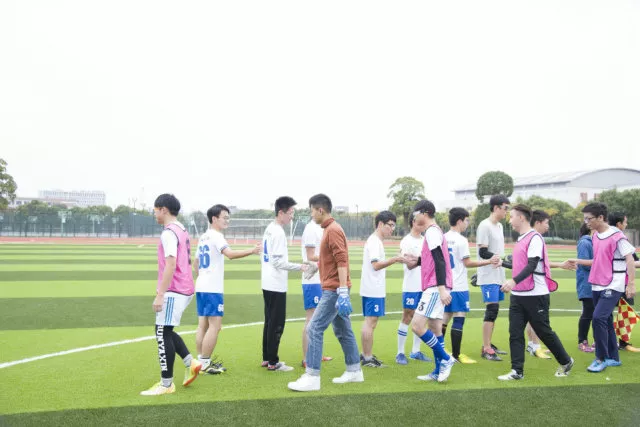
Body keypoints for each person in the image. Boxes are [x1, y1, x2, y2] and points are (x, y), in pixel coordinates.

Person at [288, 194, 364, 392]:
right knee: (343, 330)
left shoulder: (333, 230)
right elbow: (330, 259)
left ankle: (312, 377)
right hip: (334, 286)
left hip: (334, 289)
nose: (311, 215)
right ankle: (354, 370)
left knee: (314, 328)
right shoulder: (329, 229)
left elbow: (342, 260)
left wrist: (342, 290)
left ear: (320, 210)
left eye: (312, 211)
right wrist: (317, 266)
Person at [498, 204, 574, 381]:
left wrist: (513, 281)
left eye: (512, 216)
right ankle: (517, 371)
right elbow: (520, 266)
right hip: (518, 295)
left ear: (521, 218)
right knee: (515, 333)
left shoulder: (535, 238)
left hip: (536, 294)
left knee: (543, 331)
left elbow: (532, 266)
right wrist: (502, 263)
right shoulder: (521, 238)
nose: (510, 220)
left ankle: (566, 361)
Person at [140, 194, 202, 396]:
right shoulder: (181, 228)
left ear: (163, 209)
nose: (155, 214)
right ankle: (190, 362)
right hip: (185, 288)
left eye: (155, 210)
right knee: (165, 330)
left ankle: (166, 384)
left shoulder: (168, 233)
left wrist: (161, 294)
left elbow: (171, 264)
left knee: (161, 332)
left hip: (175, 290)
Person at [194, 204, 261, 374]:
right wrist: (252, 250)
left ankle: (200, 361)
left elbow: (196, 263)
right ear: (214, 218)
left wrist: (203, 277)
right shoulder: (217, 236)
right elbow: (230, 254)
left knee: (202, 325)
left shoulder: (203, 237)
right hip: (212, 288)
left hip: (201, 285)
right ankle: (205, 363)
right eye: (224, 217)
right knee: (215, 326)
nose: (227, 221)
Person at [573, 203, 636, 373]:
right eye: (585, 219)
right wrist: (577, 261)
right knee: (606, 319)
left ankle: (600, 358)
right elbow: (599, 260)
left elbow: (629, 259)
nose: (586, 222)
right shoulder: (595, 236)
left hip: (613, 284)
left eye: (589, 219)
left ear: (601, 217)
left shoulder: (617, 236)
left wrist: (631, 283)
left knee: (598, 318)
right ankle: (613, 358)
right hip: (596, 284)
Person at [443, 207, 501, 364]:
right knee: (459, 317)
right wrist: (489, 261)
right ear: (460, 221)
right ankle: (456, 355)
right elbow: (467, 263)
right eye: (467, 220)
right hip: (459, 285)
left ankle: (440, 352)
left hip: (445, 285)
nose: (467, 223)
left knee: (445, 317)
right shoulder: (461, 240)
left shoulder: (443, 238)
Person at [261, 196, 310, 372]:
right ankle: (273, 362)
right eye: (290, 213)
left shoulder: (270, 229)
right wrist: (300, 267)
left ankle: (267, 358)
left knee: (269, 321)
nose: (292, 216)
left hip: (268, 282)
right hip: (275, 284)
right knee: (276, 324)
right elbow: (277, 262)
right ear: (281, 212)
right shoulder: (278, 232)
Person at [410, 200, 456, 383]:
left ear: (425, 213)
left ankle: (446, 359)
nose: (414, 218)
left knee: (416, 326)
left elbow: (440, 260)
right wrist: (418, 260)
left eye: (416, 214)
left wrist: (442, 289)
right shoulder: (433, 231)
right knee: (435, 328)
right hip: (436, 285)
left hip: (436, 286)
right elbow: (434, 258)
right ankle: (438, 371)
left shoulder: (431, 232)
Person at [524, 210, 577, 359]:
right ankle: (535, 347)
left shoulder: (530, 237)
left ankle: (533, 345)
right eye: (546, 222)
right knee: (538, 317)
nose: (548, 226)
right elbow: (534, 264)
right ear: (538, 222)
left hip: (532, 284)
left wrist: (560, 265)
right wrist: (560, 265)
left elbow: (541, 263)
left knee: (532, 317)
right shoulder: (535, 238)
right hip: (535, 285)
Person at [360, 211, 405, 367]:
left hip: (372, 287)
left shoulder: (376, 241)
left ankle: (366, 355)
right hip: (373, 288)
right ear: (380, 224)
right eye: (390, 225)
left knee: (371, 322)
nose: (392, 229)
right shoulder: (374, 242)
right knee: (370, 322)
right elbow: (376, 265)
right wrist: (396, 259)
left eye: (393, 226)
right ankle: (367, 357)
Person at [476, 194, 510, 361]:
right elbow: (483, 252)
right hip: (488, 275)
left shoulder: (500, 226)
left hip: (498, 274)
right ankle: (486, 348)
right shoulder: (485, 225)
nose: (507, 212)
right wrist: (498, 259)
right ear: (496, 208)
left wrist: (504, 261)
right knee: (492, 310)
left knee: (494, 311)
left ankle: (488, 343)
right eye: (505, 208)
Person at [396, 212, 432, 364]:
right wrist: (423, 260)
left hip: (425, 286)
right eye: (419, 223)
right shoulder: (406, 241)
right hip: (411, 286)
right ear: (412, 222)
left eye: (423, 223)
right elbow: (409, 265)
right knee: (407, 316)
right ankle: (400, 353)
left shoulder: (426, 240)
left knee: (421, 318)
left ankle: (415, 351)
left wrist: (419, 260)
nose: (422, 226)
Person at [300, 218, 333, 367]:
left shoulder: (321, 228)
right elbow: (310, 256)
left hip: (321, 279)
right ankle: (306, 359)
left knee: (318, 319)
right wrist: (331, 257)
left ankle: (316, 354)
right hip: (311, 280)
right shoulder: (311, 229)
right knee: (311, 318)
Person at [608, 212, 640, 352]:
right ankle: (620, 343)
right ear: (619, 224)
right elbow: (632, 261)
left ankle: (619, 342)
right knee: (621, 312)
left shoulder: (609, 237)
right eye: (625, 222)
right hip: (619, 282)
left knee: (614, 312)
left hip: (612, 282)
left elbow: (633, 259)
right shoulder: (618, 238)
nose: (626, 224)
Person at [576, 223, 595, 353]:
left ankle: (597, 340)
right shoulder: (584, 243)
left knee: (595, 313)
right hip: (587, 283)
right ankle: (582, 341)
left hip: (593, 282)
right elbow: (584, 264)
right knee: (588, 312)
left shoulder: (591, 242)